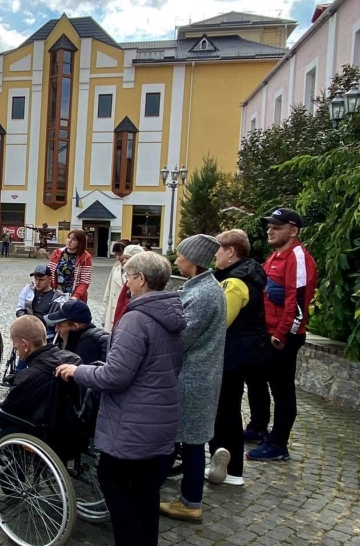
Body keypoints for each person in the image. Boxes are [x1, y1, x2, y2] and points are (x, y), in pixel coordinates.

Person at [55, 251, 185, 546]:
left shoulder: (136, 319)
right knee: (147, 497)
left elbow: (115, 377)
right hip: (162, 421)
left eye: (128, 275)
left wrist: (78, 371)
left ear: (140, 279)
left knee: (114, 483)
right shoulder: (173, 315)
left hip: (132, 426)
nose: (126, 281)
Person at [0, 315, 79, 487]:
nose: (15, 348)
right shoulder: (70, 359)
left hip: (35, 430)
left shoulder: (29, 377)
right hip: (64, 428)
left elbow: (4, 415)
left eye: (15, 344)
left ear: (26, 345)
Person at [161, 234, 227, 524]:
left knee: (190, 440)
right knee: (192, 440)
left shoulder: (203, 294)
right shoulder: (203, 288)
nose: (177, 260)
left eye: (181, 255)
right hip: (199, 374)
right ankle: (189, 498)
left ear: (194, 260)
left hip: (193, 377)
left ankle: (190, 502)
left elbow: (182, 337)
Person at [246, 207, 318, 462]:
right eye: (270, 226)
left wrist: (281, 336)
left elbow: (297, 302)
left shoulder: (297, 258)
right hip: (266, 333)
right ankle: (257, 427)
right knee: (254, 379)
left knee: (282, 390)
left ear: (293, 230)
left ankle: (278, 444)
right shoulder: (276, 256)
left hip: (282, 337)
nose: (270, 230)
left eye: (277, 226)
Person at [208, 229, 269, 487]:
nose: (216, 257)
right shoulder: (248, 275)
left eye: (219, 251)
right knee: (228, 409)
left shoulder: (234, 282)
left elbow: (220, 322)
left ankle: (230, 468)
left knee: (226, 411)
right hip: (246, 352)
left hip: (234, 356)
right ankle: (228, 465)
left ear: (231, 251)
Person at [45, 300, 110, 365]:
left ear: (75, 326)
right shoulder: (76, 339)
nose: (56, 329)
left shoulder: (87, 344)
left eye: (60, 325)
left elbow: (80, 373)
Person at [49, 229, 93, 302]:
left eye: (74, 240)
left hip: (74, 297)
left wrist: (76, 296)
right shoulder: (57, 253)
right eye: (69, 238)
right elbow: (49, 274)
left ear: (79, 243)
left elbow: (84, 282)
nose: (69, 241)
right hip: (56, 294)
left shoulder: (85, 257)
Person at [110, 244, 146, 327]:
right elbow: (109, 292)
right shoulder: (117, 268)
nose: (124, 261)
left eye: (127, 258)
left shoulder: (141, 282)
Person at [102, 241, 129, 328]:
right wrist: (104, 315)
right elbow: (108, 291)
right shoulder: (116, 267)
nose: (118, 258)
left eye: (120, 254)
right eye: (116, 255)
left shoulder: (134, 272)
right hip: (112, 310)